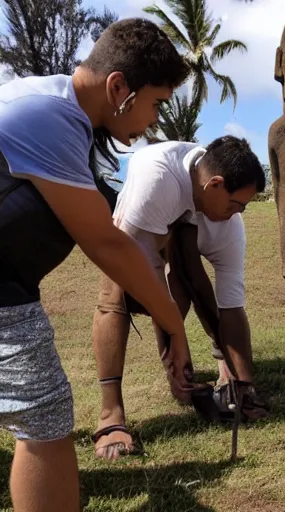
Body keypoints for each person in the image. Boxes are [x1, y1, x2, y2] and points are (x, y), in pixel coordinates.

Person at [0, 18, 191, 512]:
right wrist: (173, 323)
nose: (153, 121)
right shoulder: (51, 117)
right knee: (43, 418)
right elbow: (106, 243)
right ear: (118, 87)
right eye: (155, 105)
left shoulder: (54, 108)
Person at [91, 136, 269, 460]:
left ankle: (219, 376)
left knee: (186, 287)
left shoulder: (227, 227)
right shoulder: (158, 181)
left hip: (180, 215)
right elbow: (152, 281)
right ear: (214, 185)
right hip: (133, 218)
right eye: (234, 205)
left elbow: (230, 306)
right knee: (113, 296)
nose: (236, 214)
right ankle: (110, 415)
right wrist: (176, 347)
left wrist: (244, 384)